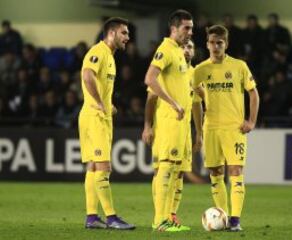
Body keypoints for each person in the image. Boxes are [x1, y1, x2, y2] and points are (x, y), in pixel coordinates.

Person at [193, 25, 260, 231]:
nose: (215, 46)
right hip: (211, 128)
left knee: (235, 171)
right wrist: (198, 133)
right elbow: (196, 102)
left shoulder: (239, 66)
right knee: (215, 173)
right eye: (212, 42)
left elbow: (254, 94)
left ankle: (235, 221)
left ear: (226, 44)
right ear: (207, 44)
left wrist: (251, 121)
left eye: (219, 43)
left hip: (234, 129)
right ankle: (223, 217)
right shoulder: (200, 70)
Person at [78, 17, 135, 230]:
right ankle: (111, 217)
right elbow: (86, 75)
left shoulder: (110, 57)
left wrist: (107, 104)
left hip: (98, 116)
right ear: (112, 33)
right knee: (104, 166)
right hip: (94, 117)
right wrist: (101, 103)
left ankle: (92, 217)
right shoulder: (98, 52)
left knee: (93, 167)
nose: (127, 38)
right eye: (124, 33)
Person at [142, 39, 202, 231]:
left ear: (194, 52)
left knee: (179, 172)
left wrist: (199, 132)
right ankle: (160, 219)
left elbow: (196, 104)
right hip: (166, 125)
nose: (186, 49)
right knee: (163, 169)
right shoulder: (167, 67)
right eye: (184, 46)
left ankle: (170, 216)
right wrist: (147, 126)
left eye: (190, 47)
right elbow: (151, 98)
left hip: (185, 130)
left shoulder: (194, 74)